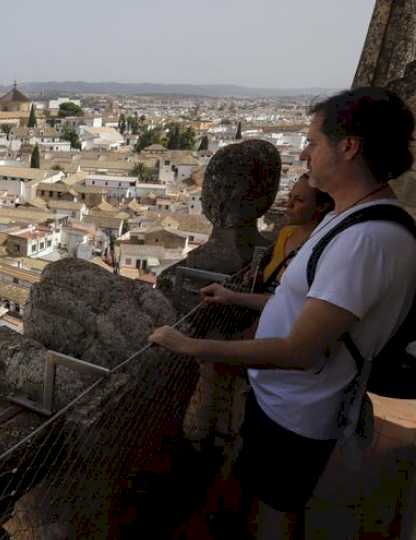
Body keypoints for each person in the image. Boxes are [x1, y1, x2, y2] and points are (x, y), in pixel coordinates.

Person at [149, 87, 416, 539]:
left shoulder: (365, 241)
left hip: (300, 412)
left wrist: (190, 346)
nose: (304, 152)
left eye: (312, 141)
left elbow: (301, 350)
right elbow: (305, 305)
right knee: (261, 500)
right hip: (283, 400)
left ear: (348, 146)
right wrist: (236, 299)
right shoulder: (347, 218)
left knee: (278, 515)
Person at [255, 173, 334, 294]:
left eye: (299, 200)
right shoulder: (286, 233)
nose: (288, 204)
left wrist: (234, 297)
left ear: (322, 206)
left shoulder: (323, 246)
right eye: (290, 197)